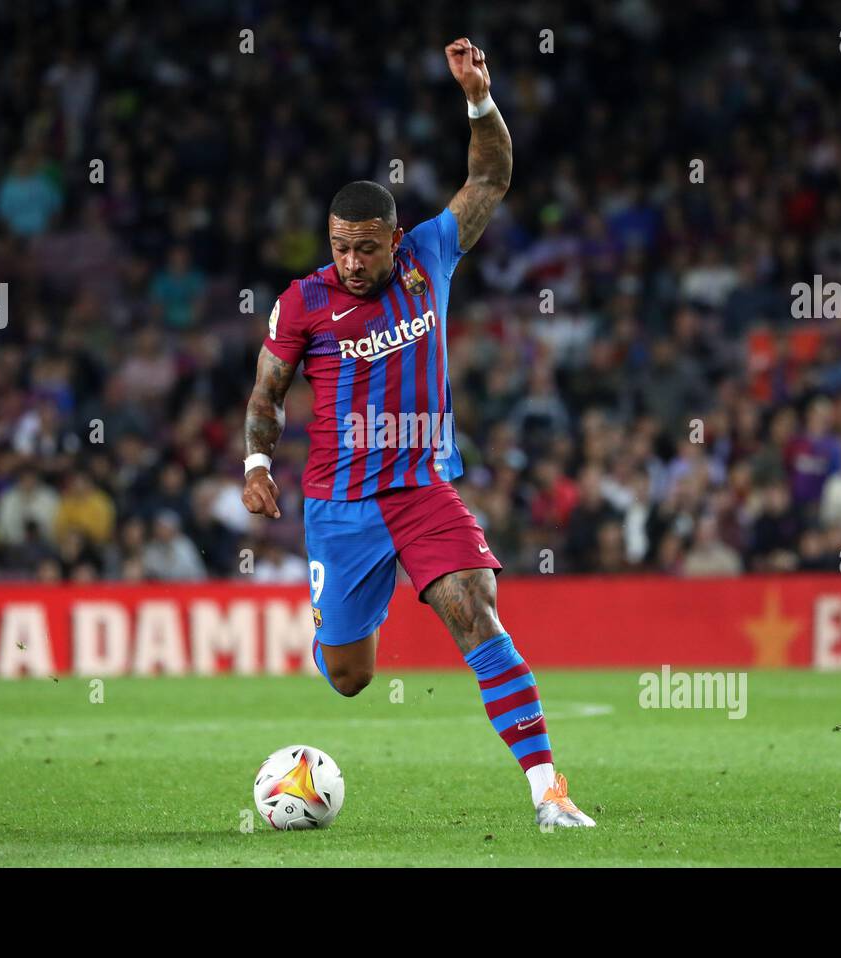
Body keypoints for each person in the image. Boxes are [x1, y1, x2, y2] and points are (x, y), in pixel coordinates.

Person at [241, 38, 593, 828]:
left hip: (422, 489)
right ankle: (335, 629)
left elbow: (492, 176)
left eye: (365, 246)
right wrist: (257, 461)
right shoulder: (302, 303)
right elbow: (267, 392)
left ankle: (548, 792)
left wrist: (478, 99)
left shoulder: (430, 255)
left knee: (480, 614)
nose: (352, 261)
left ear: (394, 238)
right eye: (339, 246)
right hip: (340, 504)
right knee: (349, 678)